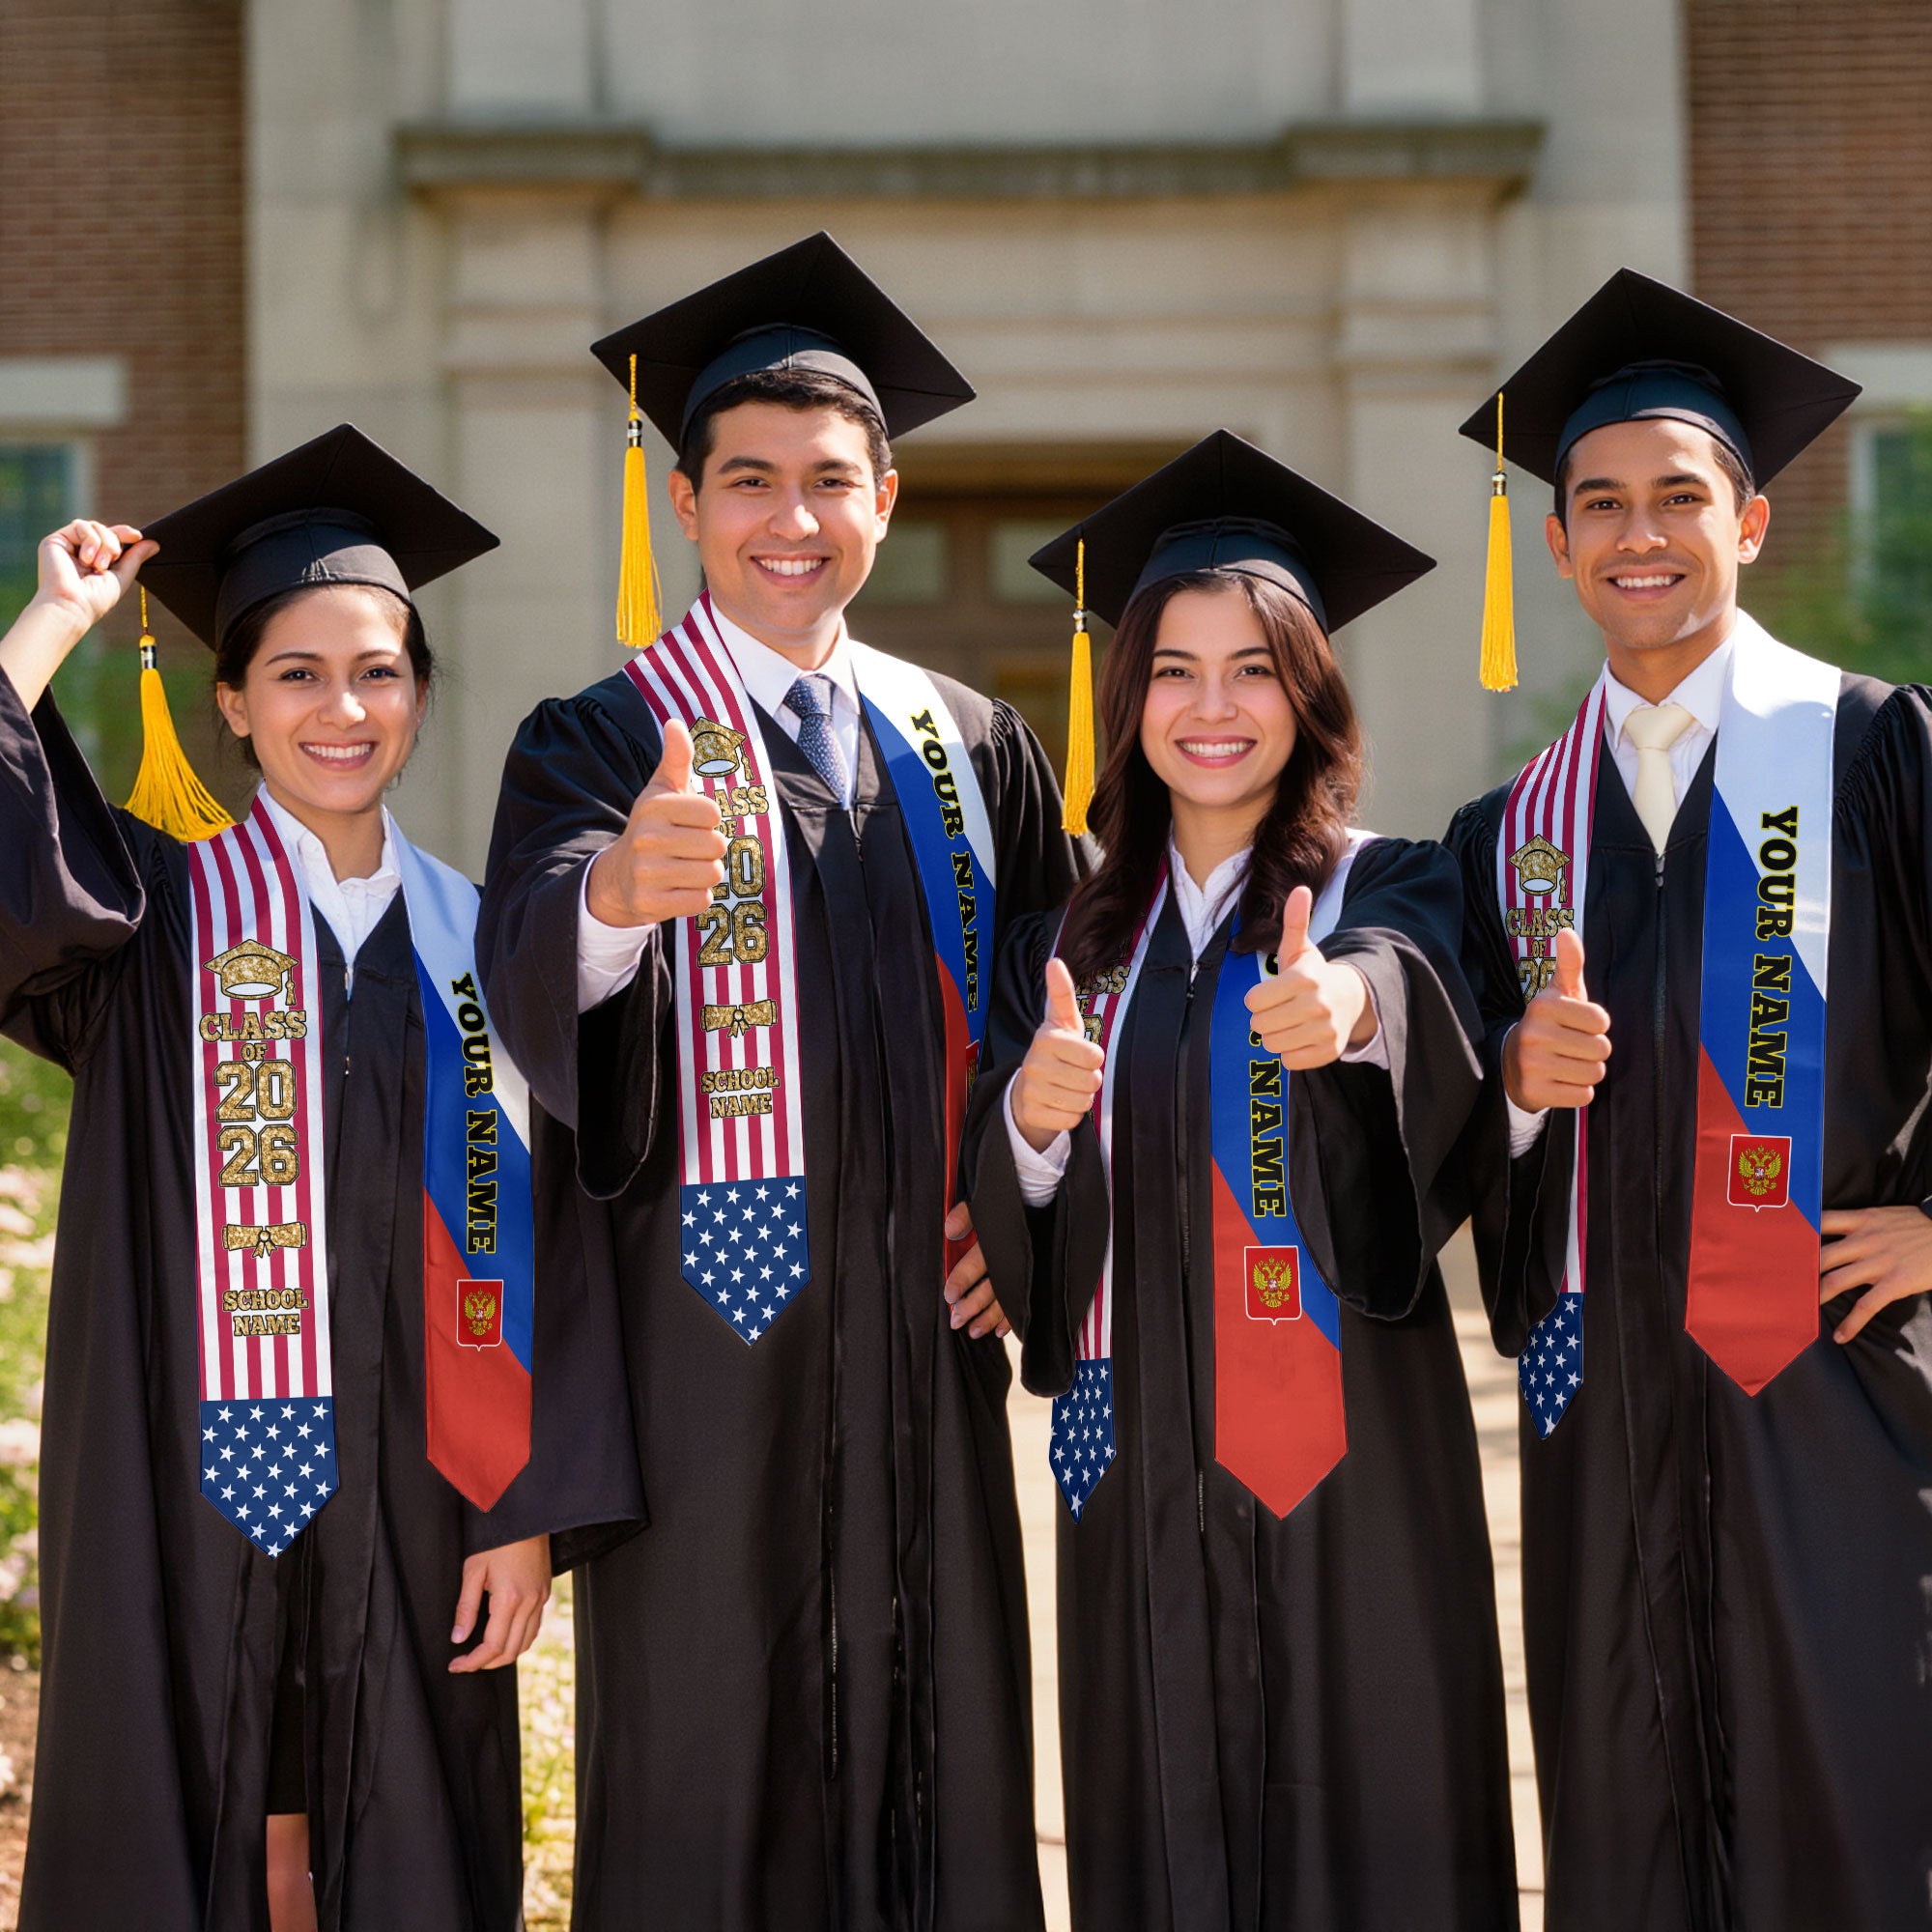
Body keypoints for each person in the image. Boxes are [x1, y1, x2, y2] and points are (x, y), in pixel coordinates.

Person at [477, 233, 1082, 1930]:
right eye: (749, 481)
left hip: (923, 1346)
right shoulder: (599, 738)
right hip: (706, 1358)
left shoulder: (972, 745)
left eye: (830, 481)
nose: (790, 519)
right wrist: (611, 899)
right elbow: (528, 965)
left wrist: (1022, 1191)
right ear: (686, 504)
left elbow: (1073, 993)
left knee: (942, 1749)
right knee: (710, 1766)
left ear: (886, 497)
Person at [0, 424, 641, 1932]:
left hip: (430, 1496)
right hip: (184, 1481)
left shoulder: (486, 940)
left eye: (378, 671)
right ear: (230, 702)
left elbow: (560, 1235)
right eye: (295, 673)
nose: (341, 709)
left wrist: (525, 1505)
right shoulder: (148, 920)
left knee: (407, 1832)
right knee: (196, 1804)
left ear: (419, 694)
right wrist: (51, 625)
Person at [965, 431, 1519, 1930]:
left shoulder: (1387, 885)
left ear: (1311, 693)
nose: (1215, 709)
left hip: (1351, 1463)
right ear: (1127, 697)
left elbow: (1413, 989)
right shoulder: (1069, 944)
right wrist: (1027, 1116)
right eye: (1175, 671)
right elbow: (1012, 1199)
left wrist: (1349, 1014)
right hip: (1131, 1459)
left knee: (1378, 1824)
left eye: (1256, 669)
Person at [1445, 270, 1932, 1931]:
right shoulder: (1509, 834)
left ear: (1753, 520)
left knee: (1854, 1802)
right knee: (1625, 1816)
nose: (1637, 534)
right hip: (1603, 1413)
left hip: (1835, 1390)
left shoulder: (1874, 754)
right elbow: (1444, 1132)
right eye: (1599, 504)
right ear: (1561, 542)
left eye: (1678, 497)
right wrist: (1510, 1087)